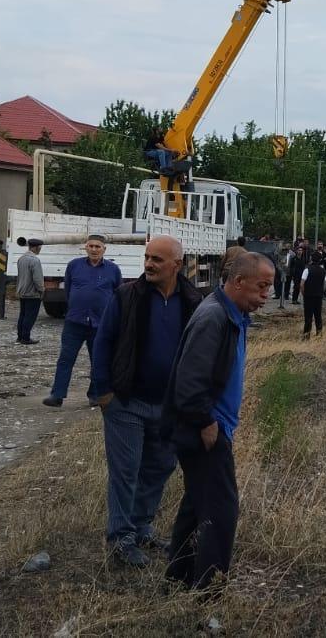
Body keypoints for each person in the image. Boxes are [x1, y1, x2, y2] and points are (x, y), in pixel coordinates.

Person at [163, 251, 273, 591]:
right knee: (222, 511)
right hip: (204, 430)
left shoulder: (233, 315)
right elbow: (190, 380)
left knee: (197, 504)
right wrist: (206, 424)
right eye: (262, 287)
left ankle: (178, 575)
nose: (266, 295)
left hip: (211, 426)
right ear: (238, 282)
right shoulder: (213, 317)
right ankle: (209, 588)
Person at [89, 236, 202, 567]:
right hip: (126, 402)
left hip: (168, 406)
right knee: (126, 472)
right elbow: (103, 341)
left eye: (157, 259)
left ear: (177, 266)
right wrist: (104, 391)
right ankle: (120, 538)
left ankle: (140, 527)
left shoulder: (192, 300)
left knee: (160, 467)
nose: (149, 264)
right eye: (147, 257)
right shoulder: (127, 296)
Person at [45, 235, 121, 407]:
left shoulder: (113, 269)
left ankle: (95, 395)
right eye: (91, 246)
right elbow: (69, 290)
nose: (94, 249)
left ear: (104, 249)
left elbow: (117, 295)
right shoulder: (74, 266)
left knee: (98, 361)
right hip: (75, 322)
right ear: (85, 247)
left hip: (100, 324)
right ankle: (57, 395)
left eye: (98, 247)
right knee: (66, 358)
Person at [15, 238, 45, 344]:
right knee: (30, 316)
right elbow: (37, 278)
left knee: (22, 315)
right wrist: (41, 290)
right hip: (32, 293)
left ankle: (20, 336)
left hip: (22, 292)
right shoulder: (35, 260)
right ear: (36, 247)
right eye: (40, 247)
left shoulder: (21, 259)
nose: (40, 249)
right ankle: (26, 338)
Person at [301, 251, 326, 337]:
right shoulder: (323, 270)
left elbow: (302, 283)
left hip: (308, 296)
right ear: (320, 260)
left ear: (311, 259)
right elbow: (324, 284)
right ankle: (319, 334)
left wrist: (303, 293)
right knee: (318, 316)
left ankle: (306, 335)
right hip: (318, 296)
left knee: (308, 317)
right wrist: (321, 292)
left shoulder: (307, 269)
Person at [0, 240, 13, 320]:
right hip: (4, 271)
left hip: (4, 271)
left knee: (1, 287)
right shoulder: (3, 254)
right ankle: (0, 315)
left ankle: (0, 315)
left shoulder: (3, 254)